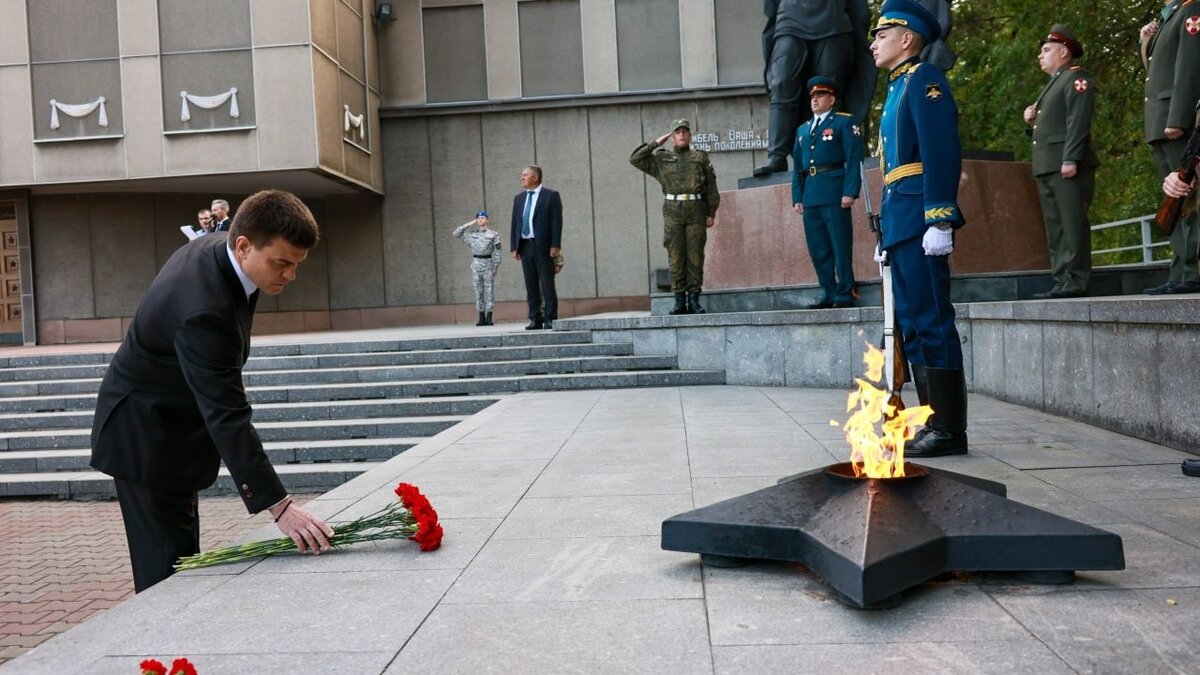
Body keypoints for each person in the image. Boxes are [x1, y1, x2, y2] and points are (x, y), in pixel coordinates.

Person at [90, 189, 334, 592]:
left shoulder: (219, 250)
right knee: (166, 579)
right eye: (281, 264)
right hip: (146, 440)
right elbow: (227, 414)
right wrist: (281, 508)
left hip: (169, 429)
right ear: (243, 245)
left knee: (180, 565)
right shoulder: (206, 309)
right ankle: (159, 654)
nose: (290, 276)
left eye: (297, 265)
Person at [869, 0, 967, 457]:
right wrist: (888, 232)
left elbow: (940, 150)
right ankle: (932, 423)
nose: (873, 43)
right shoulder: (896, 88)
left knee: (931, 319)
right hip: (901, 219)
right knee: (910, 323)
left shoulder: (924, 79)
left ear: (906, 39)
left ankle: (948, 429)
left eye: (881, 35)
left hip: (920, 217)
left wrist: (940, 217)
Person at [754, 0, 874, 177]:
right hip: (789, 19)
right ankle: (777, 156)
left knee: (828, 91)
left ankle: (832, 152)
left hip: (833, 21)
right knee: (782, 84)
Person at [1024, 25, 1098, 300]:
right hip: (1048, 165)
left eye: (1046, 50)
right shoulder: (1054, 82)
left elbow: (1077, 122)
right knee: (1056, 228)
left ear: (1064, 52)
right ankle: (1062, 280)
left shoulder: (1075, 79)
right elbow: (1052, 127)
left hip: (1066, 165)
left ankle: (1076, 280)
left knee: (1072, 223)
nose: (1040, 56)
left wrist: (1071, 158)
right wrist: (1030, 122)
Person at [630, 119, 721, 315]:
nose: (681, 135)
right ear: (672, 137)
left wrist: (711, 212)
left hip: (696, 209)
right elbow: (636, 159)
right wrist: (656, 143)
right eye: (677, 132)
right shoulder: (662, 159)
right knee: (676, 255)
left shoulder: (700, 157)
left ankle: (694, 300)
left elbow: (711, 187)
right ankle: (679, 300)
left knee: (695, 255)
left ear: (690, 136)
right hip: (673, 210)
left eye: (684, 132)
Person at [1140, 0, 1200, 295]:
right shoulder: (1168, 18)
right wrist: (1145, 40)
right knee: (1172, 201)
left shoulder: (1191, 9)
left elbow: (1189, 65)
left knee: (1187, 199)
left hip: (1175, 121)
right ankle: (1179, 270)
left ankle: (1191, 272)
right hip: (1159, 122)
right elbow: (1156, 72)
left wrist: (1179, 116)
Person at [791, 76, 863, 309]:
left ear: (832, 100)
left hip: (835, 191)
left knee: (839, 244)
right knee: (818, 247)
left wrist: (850, 191)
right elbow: (797, 168)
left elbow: (853, 159)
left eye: (820, 96)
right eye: (812, 96)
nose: (815, 100)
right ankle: (828, 292)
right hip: (811, 194)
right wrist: (797, 197)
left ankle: (845, 291)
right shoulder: (802, 130)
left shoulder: (844, 122)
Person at [510, 165, 562, 330]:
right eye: (522, 175)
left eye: (525, 175)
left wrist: (555, 245)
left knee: (547, 283)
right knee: (530, 284)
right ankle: (535, 318)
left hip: (544, 246)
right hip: (525, 246)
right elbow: (515, 223)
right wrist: (514, 246)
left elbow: (556, 221)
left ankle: (550, 318)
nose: (522, 178)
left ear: (535, 177)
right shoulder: (519, 199)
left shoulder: (551, 196)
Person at [453, 210, 502, 326]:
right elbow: (456, 234)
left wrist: (496, 266)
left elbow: (498, 252)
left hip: (488, 263)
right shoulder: (472, 234)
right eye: (478, 218)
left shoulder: (493, 235)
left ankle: (489, 316)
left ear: (487, 220)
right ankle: (481, 317)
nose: (480, 219)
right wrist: (468, 224)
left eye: (483, 217)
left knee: (489, 290)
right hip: (476, 264)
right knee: (478, 290)